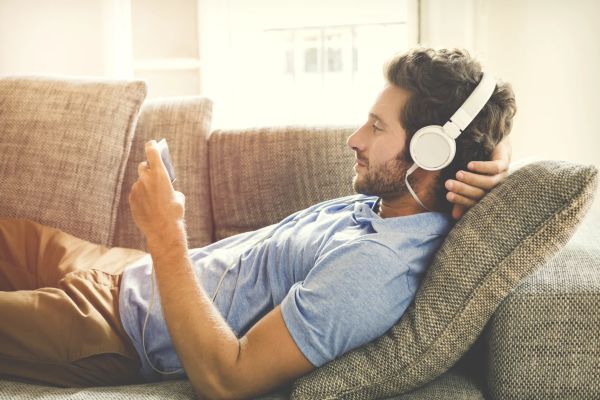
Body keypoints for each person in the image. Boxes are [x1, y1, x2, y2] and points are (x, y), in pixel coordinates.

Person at [0, 47, 516, 399]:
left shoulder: (375, 270)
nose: (354, 139)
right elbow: (487, 123)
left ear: (431, 151)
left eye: (377, 127)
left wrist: (165, 234)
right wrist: (498, 154)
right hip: (124, 270)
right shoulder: (393, 200)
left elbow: (228, 378)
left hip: (116, 329)